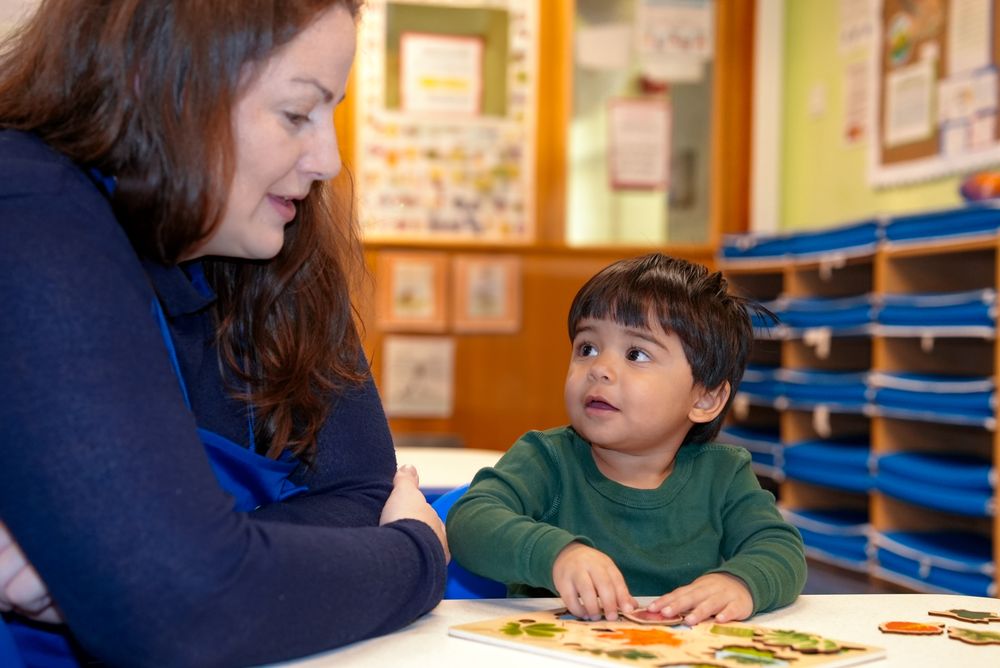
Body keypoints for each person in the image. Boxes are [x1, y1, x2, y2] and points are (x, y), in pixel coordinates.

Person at [0, 1, 448, 665]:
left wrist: (152, 560)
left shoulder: (273, 244)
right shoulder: (30, 210)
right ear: (159, 83)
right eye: (298, 113)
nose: (327, 158)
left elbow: (359, 492)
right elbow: (190, 609)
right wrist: (415, 552)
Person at [447, 253, 806, 625]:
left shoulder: (724, 474)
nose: (599, 369)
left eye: (636, 354)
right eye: (587, 348)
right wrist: (558, 555)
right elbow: (470, 522)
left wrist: (738, 582)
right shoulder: (547, 458)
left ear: (705, 398)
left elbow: (780, 548)